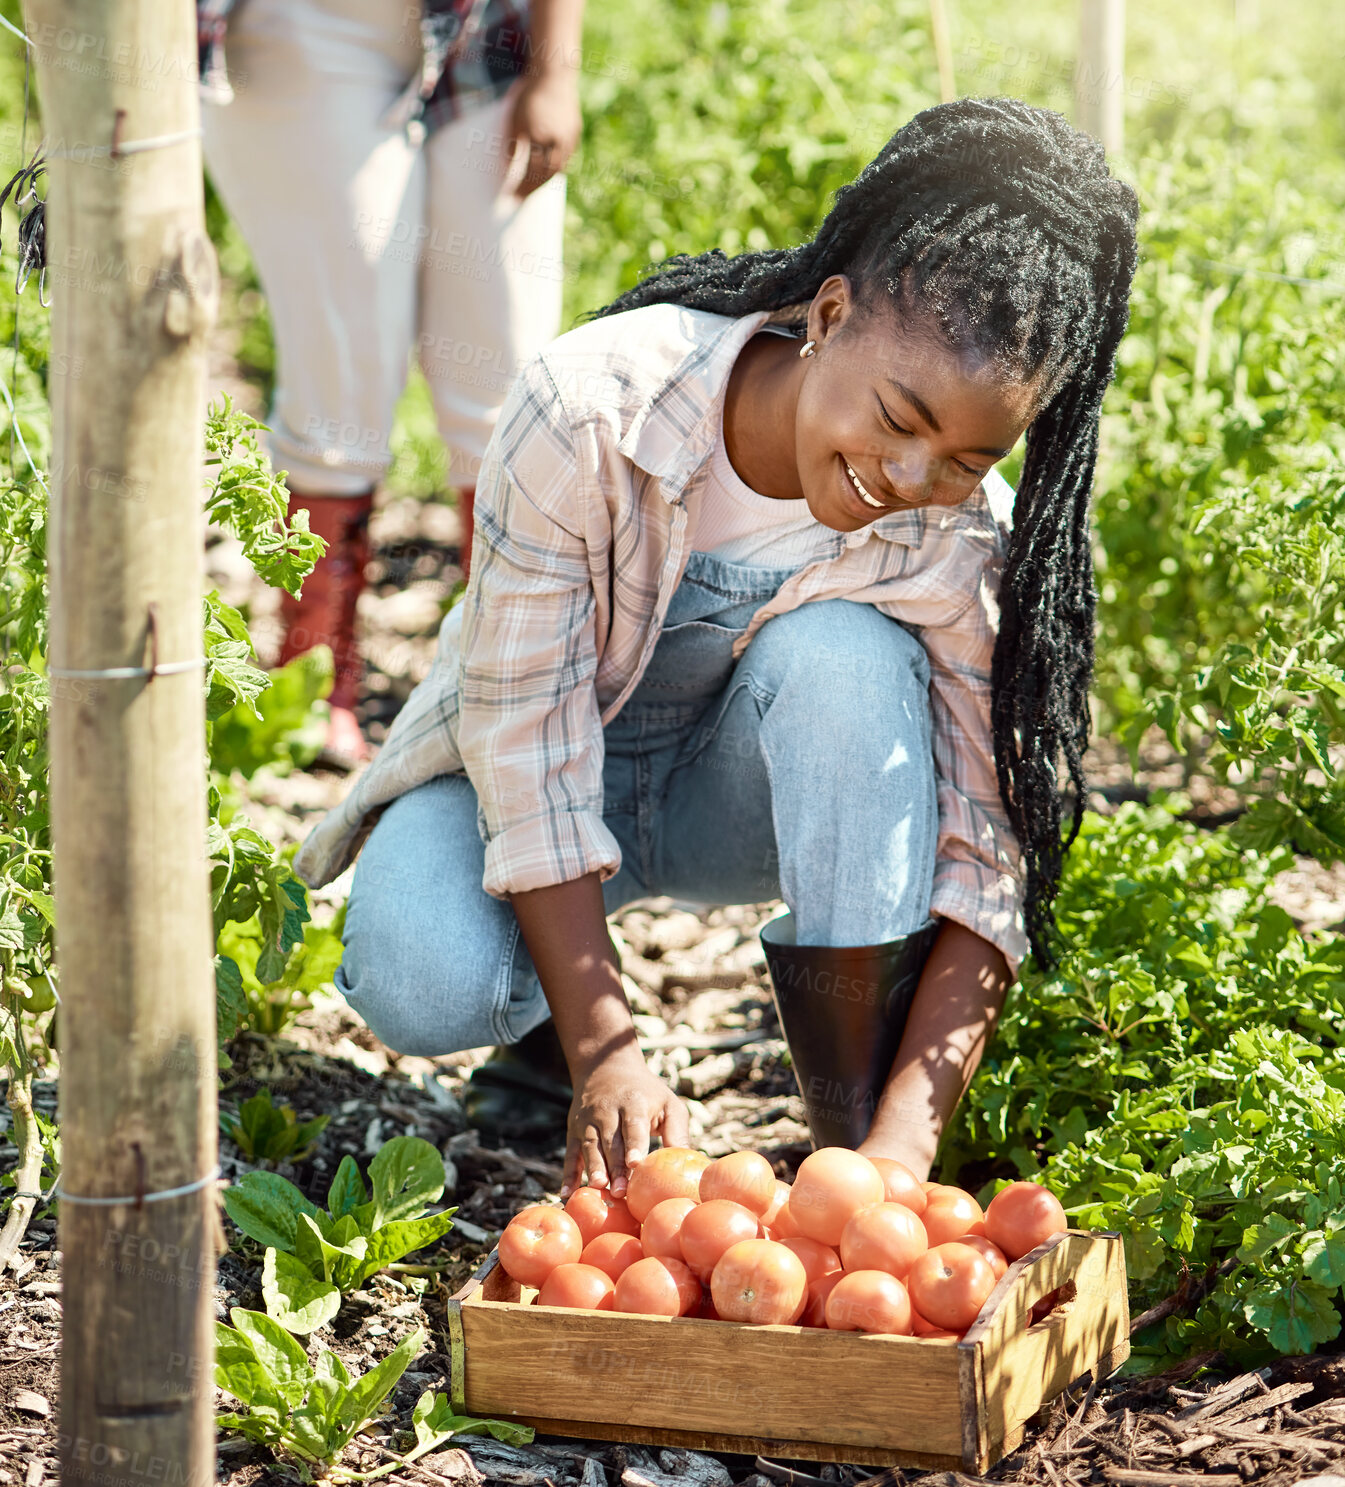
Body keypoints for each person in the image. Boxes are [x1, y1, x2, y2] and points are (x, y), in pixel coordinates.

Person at [294, 97, 1139, 1194]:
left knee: (848, 656)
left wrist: (891, 1157)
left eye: (962, 458)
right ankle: (558, 1022)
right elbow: (523, 742)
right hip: (520, 784)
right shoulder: (592, 409)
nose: (909, 477)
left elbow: (986, 851)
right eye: (896, 416)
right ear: (829, 314)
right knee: (418, 972)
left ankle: (840, 1123)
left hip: (724, 802)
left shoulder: (955, 535)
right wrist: (610, 1051)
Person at [199, 0, 584, 765]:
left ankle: (500, 686)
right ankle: (313, 686)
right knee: (338, 375)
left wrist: (554, 67)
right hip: (306, 28)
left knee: (507, 384)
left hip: (487, 36)